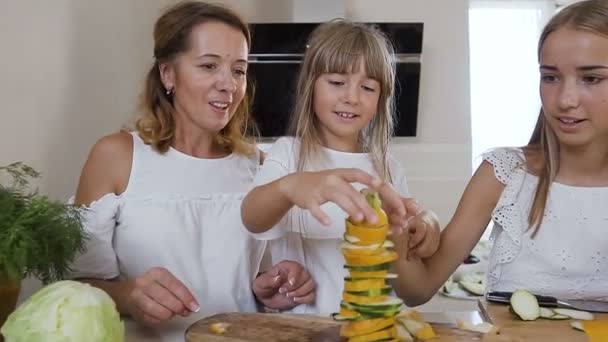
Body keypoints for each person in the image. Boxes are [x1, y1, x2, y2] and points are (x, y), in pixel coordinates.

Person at [69, 1, 314, 339]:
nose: (228, 85)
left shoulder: (259, 166)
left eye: (239, 70)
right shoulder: (116, 156)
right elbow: (76, 286)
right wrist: (127, 297)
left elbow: (253, 281)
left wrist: (269, 289)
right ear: (168, 74)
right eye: (209, 65)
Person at [391, 0, 608, 306]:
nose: (565, 100)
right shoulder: (503, 173)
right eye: (550, 77)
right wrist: (393, 237)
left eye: (591, 78)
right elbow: (418, 289)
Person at [240, 19, 441, 315]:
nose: (352, 97)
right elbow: (252, 218)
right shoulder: (288, 154)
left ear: (380, 99)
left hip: (375, 329)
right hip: (307, 331)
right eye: (336, 83)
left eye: (368, 87)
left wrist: (421, 229)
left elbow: (406, 264)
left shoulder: (388, 168)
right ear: (311, 85)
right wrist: (291, 187)